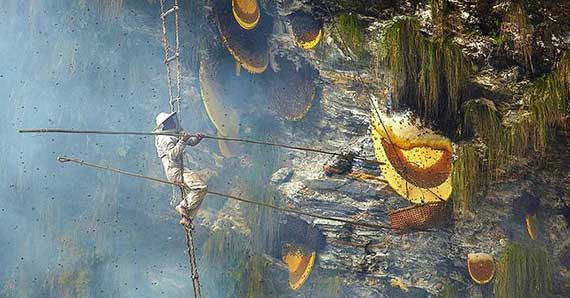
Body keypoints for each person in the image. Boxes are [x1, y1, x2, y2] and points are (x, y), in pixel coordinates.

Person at [154, 111, 207, 227]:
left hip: (181, 168)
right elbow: (173, 155)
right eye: (169, 121)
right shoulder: (164, 138)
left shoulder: (176, 132)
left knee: (193, 192)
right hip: (175, 170)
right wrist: (182, 141)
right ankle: (183, 207)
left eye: (172, 120)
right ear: (164, 125)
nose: (173, 122)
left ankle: (186, 217)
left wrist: (197, 139)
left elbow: (190, 142)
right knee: (200, 187)